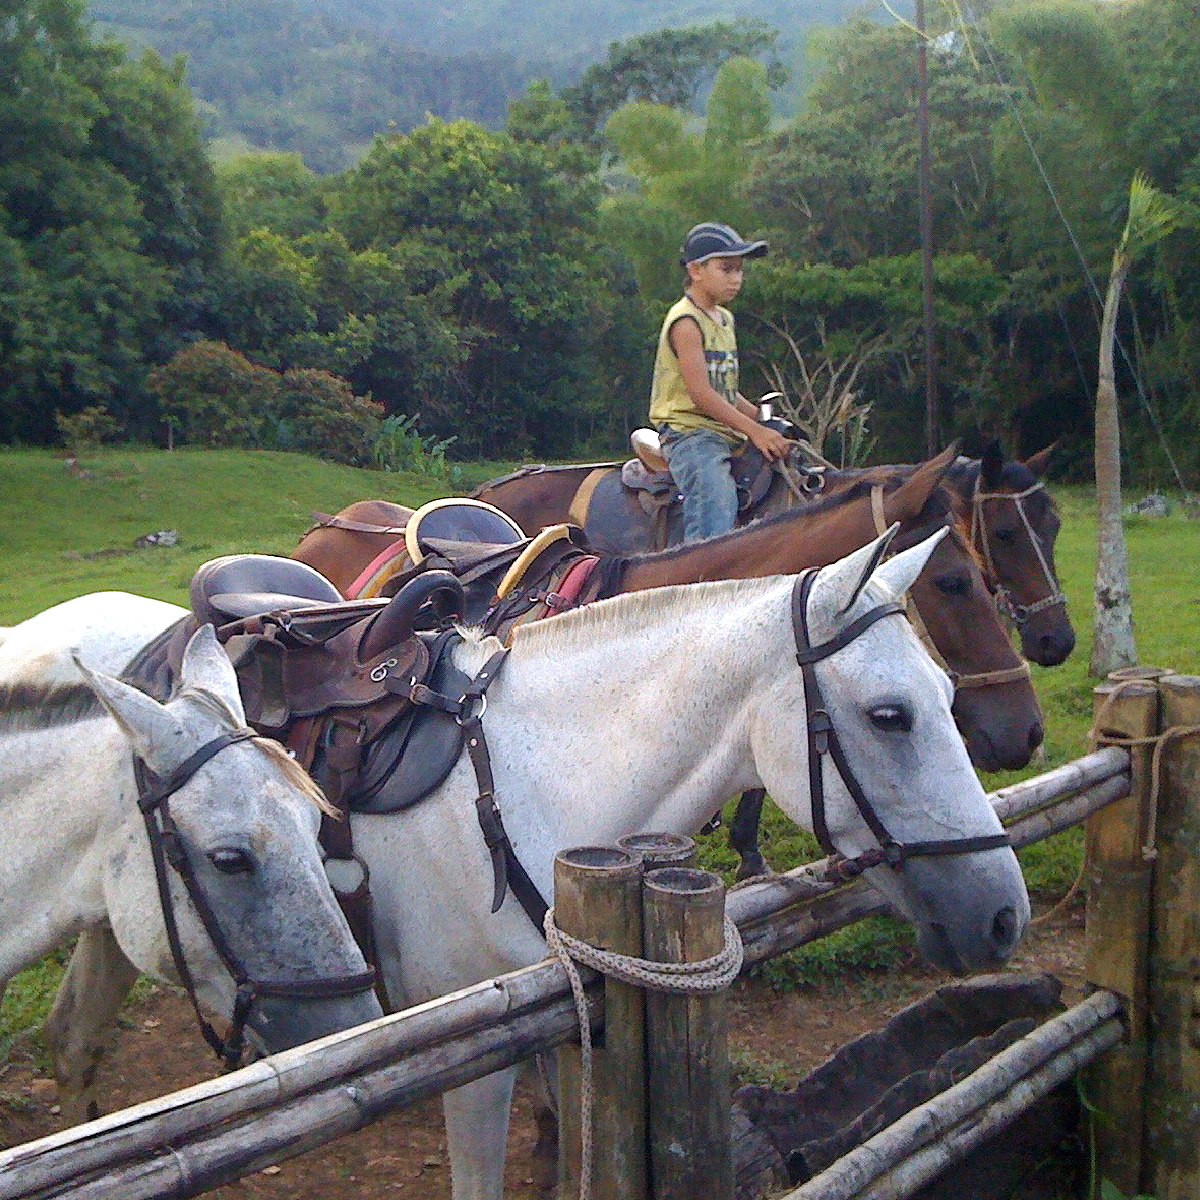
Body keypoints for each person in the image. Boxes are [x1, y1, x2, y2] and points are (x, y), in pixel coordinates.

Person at [648, 221, 790, 543]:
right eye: (726, 269)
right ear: (696, 270)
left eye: (739, 270)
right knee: (718, 498)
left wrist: (761, 418)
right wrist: (754, 430)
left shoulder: (724, 319)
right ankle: (703, 570)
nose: (736, 279)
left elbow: (723, 387)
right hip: (690, 433)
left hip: (722, 428)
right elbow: (701, 393)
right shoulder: (686, 322)